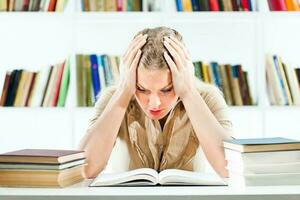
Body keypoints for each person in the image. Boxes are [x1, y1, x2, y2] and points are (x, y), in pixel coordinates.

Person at [79, 26, 233, 179]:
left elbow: (229, 169)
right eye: (142, 89)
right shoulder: (113, 98)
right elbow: (85, 169)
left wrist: (188, 92)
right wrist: (123, 93)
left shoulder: (208, 99)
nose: (154, 103)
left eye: (166, 90)